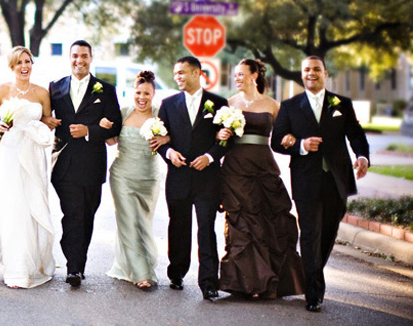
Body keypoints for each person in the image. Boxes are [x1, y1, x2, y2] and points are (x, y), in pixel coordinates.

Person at [271, 55, 370, 312]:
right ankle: (313, 291)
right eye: (307, 70)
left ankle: (313, 273)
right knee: (311, 233)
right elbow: (276, 140)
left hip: (337, 180)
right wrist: (301, 145)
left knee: (328, 233)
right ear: (301, 74)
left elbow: (356, 134)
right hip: (306, 180)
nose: (311, 73)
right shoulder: (290, 106)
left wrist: (362, 156)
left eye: (316, 69)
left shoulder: (341, 104)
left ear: (325, 73)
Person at [216, 59, 305, 299]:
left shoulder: (273, 105)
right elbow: (218, 140)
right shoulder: (228, 104)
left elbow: (283, 136)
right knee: (242, 224)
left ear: (254, 75)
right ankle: (244, 283)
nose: (237, 78)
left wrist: (290, 139)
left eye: (241, 74)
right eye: (235, 75)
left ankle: (270, 282)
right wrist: (221, 134)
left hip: (264, 167)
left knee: (272, 222)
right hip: (236, 169)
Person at [47, 40, 121, 286]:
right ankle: (74, 267)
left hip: (92, 164)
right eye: (75, 56)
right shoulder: (55, 88)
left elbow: (116, 124)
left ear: (91, 58)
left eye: (84, 56)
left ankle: (77, 261)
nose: (79, 60)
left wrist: (89, 130)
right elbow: (46, 118)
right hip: (65, 163)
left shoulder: (105, 90)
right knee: (73, 214)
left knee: (87, 215)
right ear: (69, 58)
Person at [0, 47, 56, 288]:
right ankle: (15, 269)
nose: (24, 66)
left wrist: (45, 125)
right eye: (19, 62)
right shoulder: (1, 91)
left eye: (28, 61)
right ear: (12, 66)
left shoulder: (42, 93)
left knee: (31, 207)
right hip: (7, 155)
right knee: (11, 208)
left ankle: (31, 264)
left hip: (32, 155)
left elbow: (47, 122)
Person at [156, 56, 229, 300]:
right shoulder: (168, 104)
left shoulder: (218, 103)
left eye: (182, 73)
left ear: (197, 73)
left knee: (206, 229)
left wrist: (210, 156)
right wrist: (168, 153)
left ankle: (209, 282)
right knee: (178, 226)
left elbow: (226, 140)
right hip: (177, 176)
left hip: (207, 178)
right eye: (175, 73)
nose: (177, 77)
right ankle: (176, 273)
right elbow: (159, 139)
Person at [103, 71, 168, 289]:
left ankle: (135, 263)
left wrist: (165, 137)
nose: (142, 97)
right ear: (133, 92)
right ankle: (142, 274)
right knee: (127, 221)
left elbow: (174, 135)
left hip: (149, 178)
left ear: (153, 94)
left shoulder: (161, 114)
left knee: (143, 223)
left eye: (146, 93)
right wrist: (103, 127)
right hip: (122, 176)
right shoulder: (123, 113)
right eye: (138, 92)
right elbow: (111, 141)